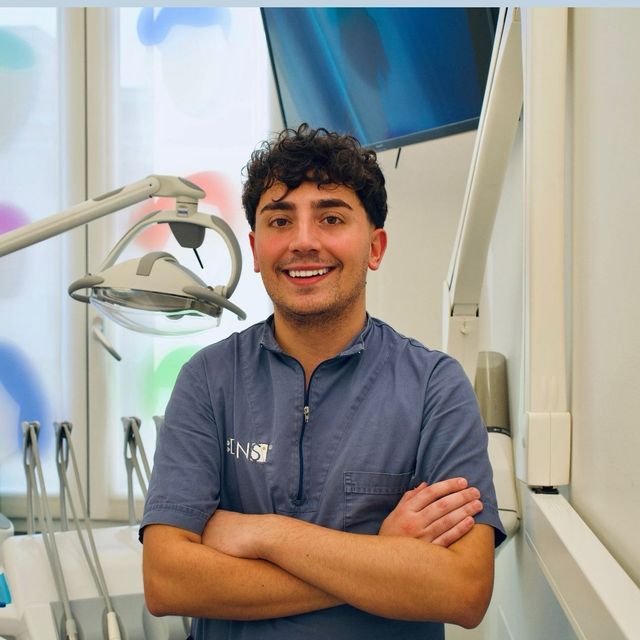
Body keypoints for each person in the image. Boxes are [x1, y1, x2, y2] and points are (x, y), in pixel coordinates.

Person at [140, 124, 506, 640]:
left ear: (375, 247)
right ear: (256, 249)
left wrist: (263, 533)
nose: (303, 241)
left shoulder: (434, 387)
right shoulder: (208, 380)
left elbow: (463, 590)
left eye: (331, 218)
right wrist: (383, 556)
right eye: (280, 220)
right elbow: (167, 581)